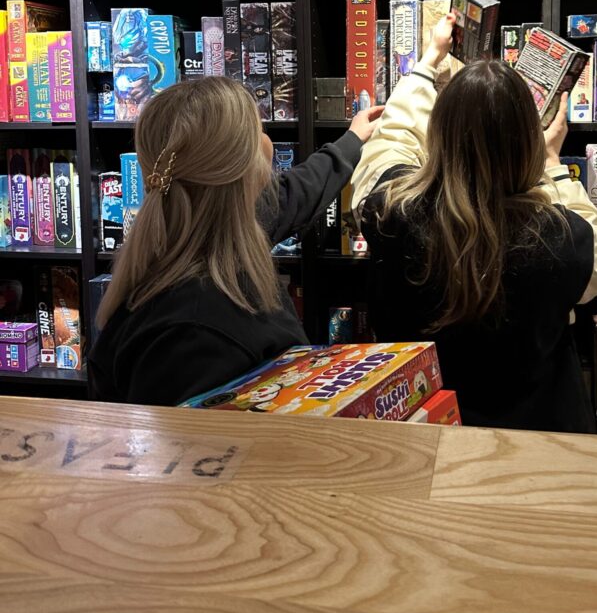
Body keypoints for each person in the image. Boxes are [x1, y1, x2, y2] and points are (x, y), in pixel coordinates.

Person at [351, 14, 597, 433]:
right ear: (527, 145)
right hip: (533, 445)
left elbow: (390, 143)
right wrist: (552, 167)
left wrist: (428, 63)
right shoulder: (559, 237)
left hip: (419, 431)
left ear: (439, 134)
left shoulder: (391, 209)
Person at [89, 76, 381, 406]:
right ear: (247, 170)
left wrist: (353, 139)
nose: (268, 143)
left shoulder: (217, 230)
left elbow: (298, 192)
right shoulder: (193, 338)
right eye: (259, 131)